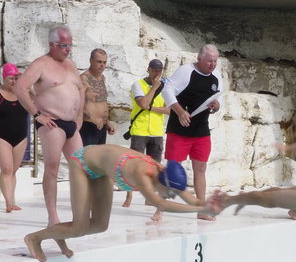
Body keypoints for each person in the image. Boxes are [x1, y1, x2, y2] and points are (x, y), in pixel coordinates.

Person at [23, 145, 214, 262]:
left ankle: (60, 233)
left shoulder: (167, 175)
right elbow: (161, 204)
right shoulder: (143, 173)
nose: (172, 196)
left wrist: (211, 205)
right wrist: (198, 208)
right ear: (164, 184)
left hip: (102, 171)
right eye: (171, 193)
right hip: (82, 163)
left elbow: (192, 199)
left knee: (99, 226)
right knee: (79, 227)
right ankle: (35, 238)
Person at [14, 25, 85, 225]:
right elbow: (21, 88)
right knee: (52, 168)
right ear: (52, 44)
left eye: (70, 45)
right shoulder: (41, 64)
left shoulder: (70, 64)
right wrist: (36, 114)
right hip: (52, 123)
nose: (67, 49)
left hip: (71, 124)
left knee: (81, 167)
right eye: (64, 45)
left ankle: (79, 212)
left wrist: (79, 115)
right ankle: (52, 216)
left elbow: (80, 89)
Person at [162, 44, 223, 220]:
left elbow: (218, 100)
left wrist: (216, 106)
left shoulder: (216, 76)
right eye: (209, 61)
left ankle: (201, 209)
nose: (212, 65)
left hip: (201, 129)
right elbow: (167, 90)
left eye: (215, 61)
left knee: (201, 168)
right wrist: (180, 111)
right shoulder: (186, 71)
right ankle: (161, 208)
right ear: (199, 58)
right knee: (174, 169)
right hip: (179, 129)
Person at [123, 58, 169, 214]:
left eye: (159, 70)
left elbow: (169, 109)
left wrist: (152, 108)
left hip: (156, 132)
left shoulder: (165, 86)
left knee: (154, 168)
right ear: (148, 69)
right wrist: (154, 87)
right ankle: (129, 195)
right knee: (133, 167)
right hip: (140, 130)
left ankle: (149, 197)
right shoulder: (138, 85)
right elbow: (142, 104)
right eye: (154, 69)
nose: (157, 73)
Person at [0, 63, 30, 213]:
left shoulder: (23, 93)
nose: (13, 82)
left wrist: (26, 82)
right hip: (0, 136)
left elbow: (37, 99)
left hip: (21, 137)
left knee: (14, 170)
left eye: (15, 78)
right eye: (10, 79)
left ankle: (12, 200)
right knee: (7, 169)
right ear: (4, 78)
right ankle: (8, 203)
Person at [79, 48, 115, 146]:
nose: (102, 65)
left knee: (99, 160)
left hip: (101, 127)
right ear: (90, 60)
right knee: (87, 158)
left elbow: (102, 102)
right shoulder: (83, 78)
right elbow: (78, 103)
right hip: (88, 125)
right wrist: (93, 117)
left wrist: (107, 122)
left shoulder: (102, 78)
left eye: (104, 62)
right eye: (99, 62)